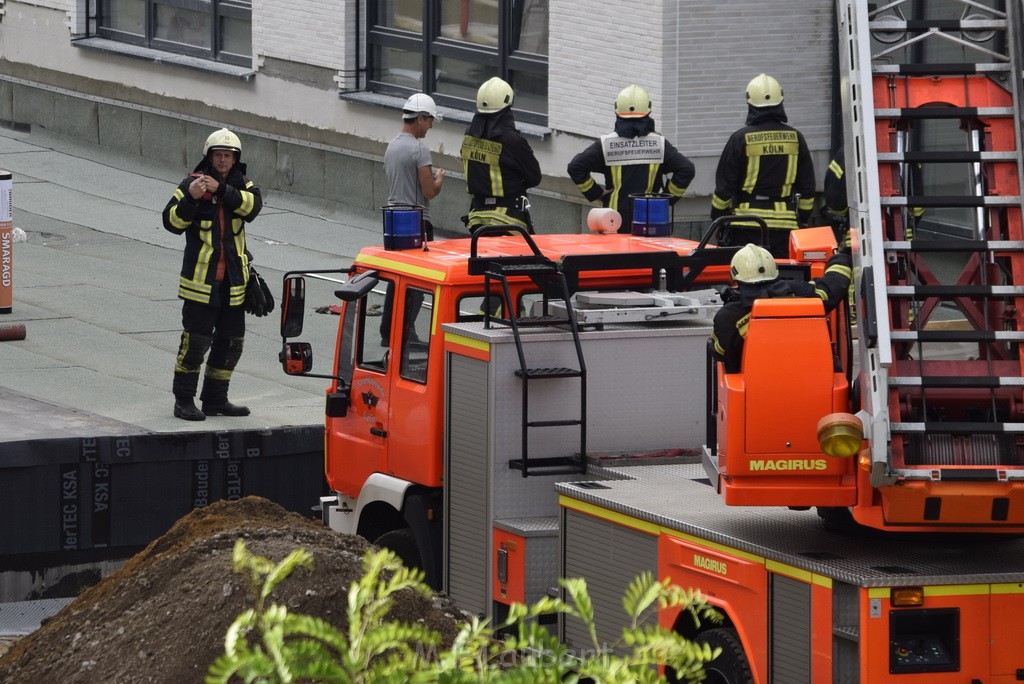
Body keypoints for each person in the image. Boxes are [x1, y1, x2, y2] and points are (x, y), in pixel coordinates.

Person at [162, 128, 263, 421]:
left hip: (234, 283)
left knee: (231, 344)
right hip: (200, 283)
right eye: (218, 155)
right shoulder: (191, 183)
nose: (222, 160)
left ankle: (216, 399)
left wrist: (221, 191)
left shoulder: (243, 184)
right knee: (195, 344)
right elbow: (171, 222)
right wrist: (191, 200)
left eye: (228, 156)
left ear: (235, 160)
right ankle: (183, 401)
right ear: (209, 157)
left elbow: (253, 207)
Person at [711, 74, 816, 258]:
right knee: (784, 278)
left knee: (748, 277)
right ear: (780, 102)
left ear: (750, 104)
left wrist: (718, 219)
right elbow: (807, 188)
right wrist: (804, 220)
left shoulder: (740, 138)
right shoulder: (796, 138)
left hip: (746, 225)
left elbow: (724, 188)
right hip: (785, 228)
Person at [567, 84, 695, 233]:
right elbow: (687, 169)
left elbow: (575, 167)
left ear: (617, 112)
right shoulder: (658, 144)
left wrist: (596, 193)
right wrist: (667, 198)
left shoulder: (606, 144)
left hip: (613, 222)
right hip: (650, 221)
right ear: (648, 111)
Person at [712, 243, 851, 374]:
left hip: (754, 390)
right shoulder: (802, 293)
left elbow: (723, 356)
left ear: (734, 278)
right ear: (776, 271)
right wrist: (841, 258)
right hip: (812, 380)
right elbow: (834, 286)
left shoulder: (727, 318)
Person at [461, 77, 542, 234]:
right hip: (508, 221)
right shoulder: (513, 141)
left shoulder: (469, 135)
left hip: (477, 219)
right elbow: (534, 177)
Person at [384, 93, 445, 240]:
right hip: (416, 222)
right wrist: (439, 180)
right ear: (420, 119)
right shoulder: (419, 149)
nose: (430, 126)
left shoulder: (391, 146)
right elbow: (429, 192)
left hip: (393, 220)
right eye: (430, 121)